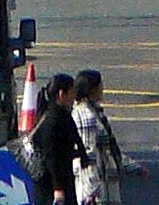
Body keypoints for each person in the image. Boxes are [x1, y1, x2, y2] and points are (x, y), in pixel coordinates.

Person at [71, 69, 134, 204]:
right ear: (92, 89)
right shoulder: (85, 116)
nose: (103, 88)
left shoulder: (95, 111)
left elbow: (109, 147)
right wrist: (92, 190)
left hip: (105, 183)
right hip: (96, 189)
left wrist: (133, 166)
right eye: (100, 85)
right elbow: (88, 154)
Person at [28, 72, 85, 205]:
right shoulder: (54, 120)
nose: (74, 97)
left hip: (61, 179)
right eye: (72, 92)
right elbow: (51, 156)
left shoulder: (59, 114)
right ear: (61, 94)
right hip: (51, 184)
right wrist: (58, 188)